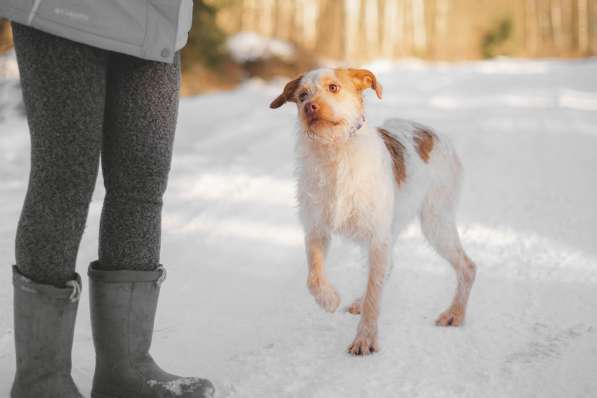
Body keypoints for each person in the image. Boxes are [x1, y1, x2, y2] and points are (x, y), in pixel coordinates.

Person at [1, 1, 214, 397]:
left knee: (142, 182)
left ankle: (127, 370)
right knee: (64, 178)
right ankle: (41, 381)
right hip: (68, 13)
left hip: (157, 21)